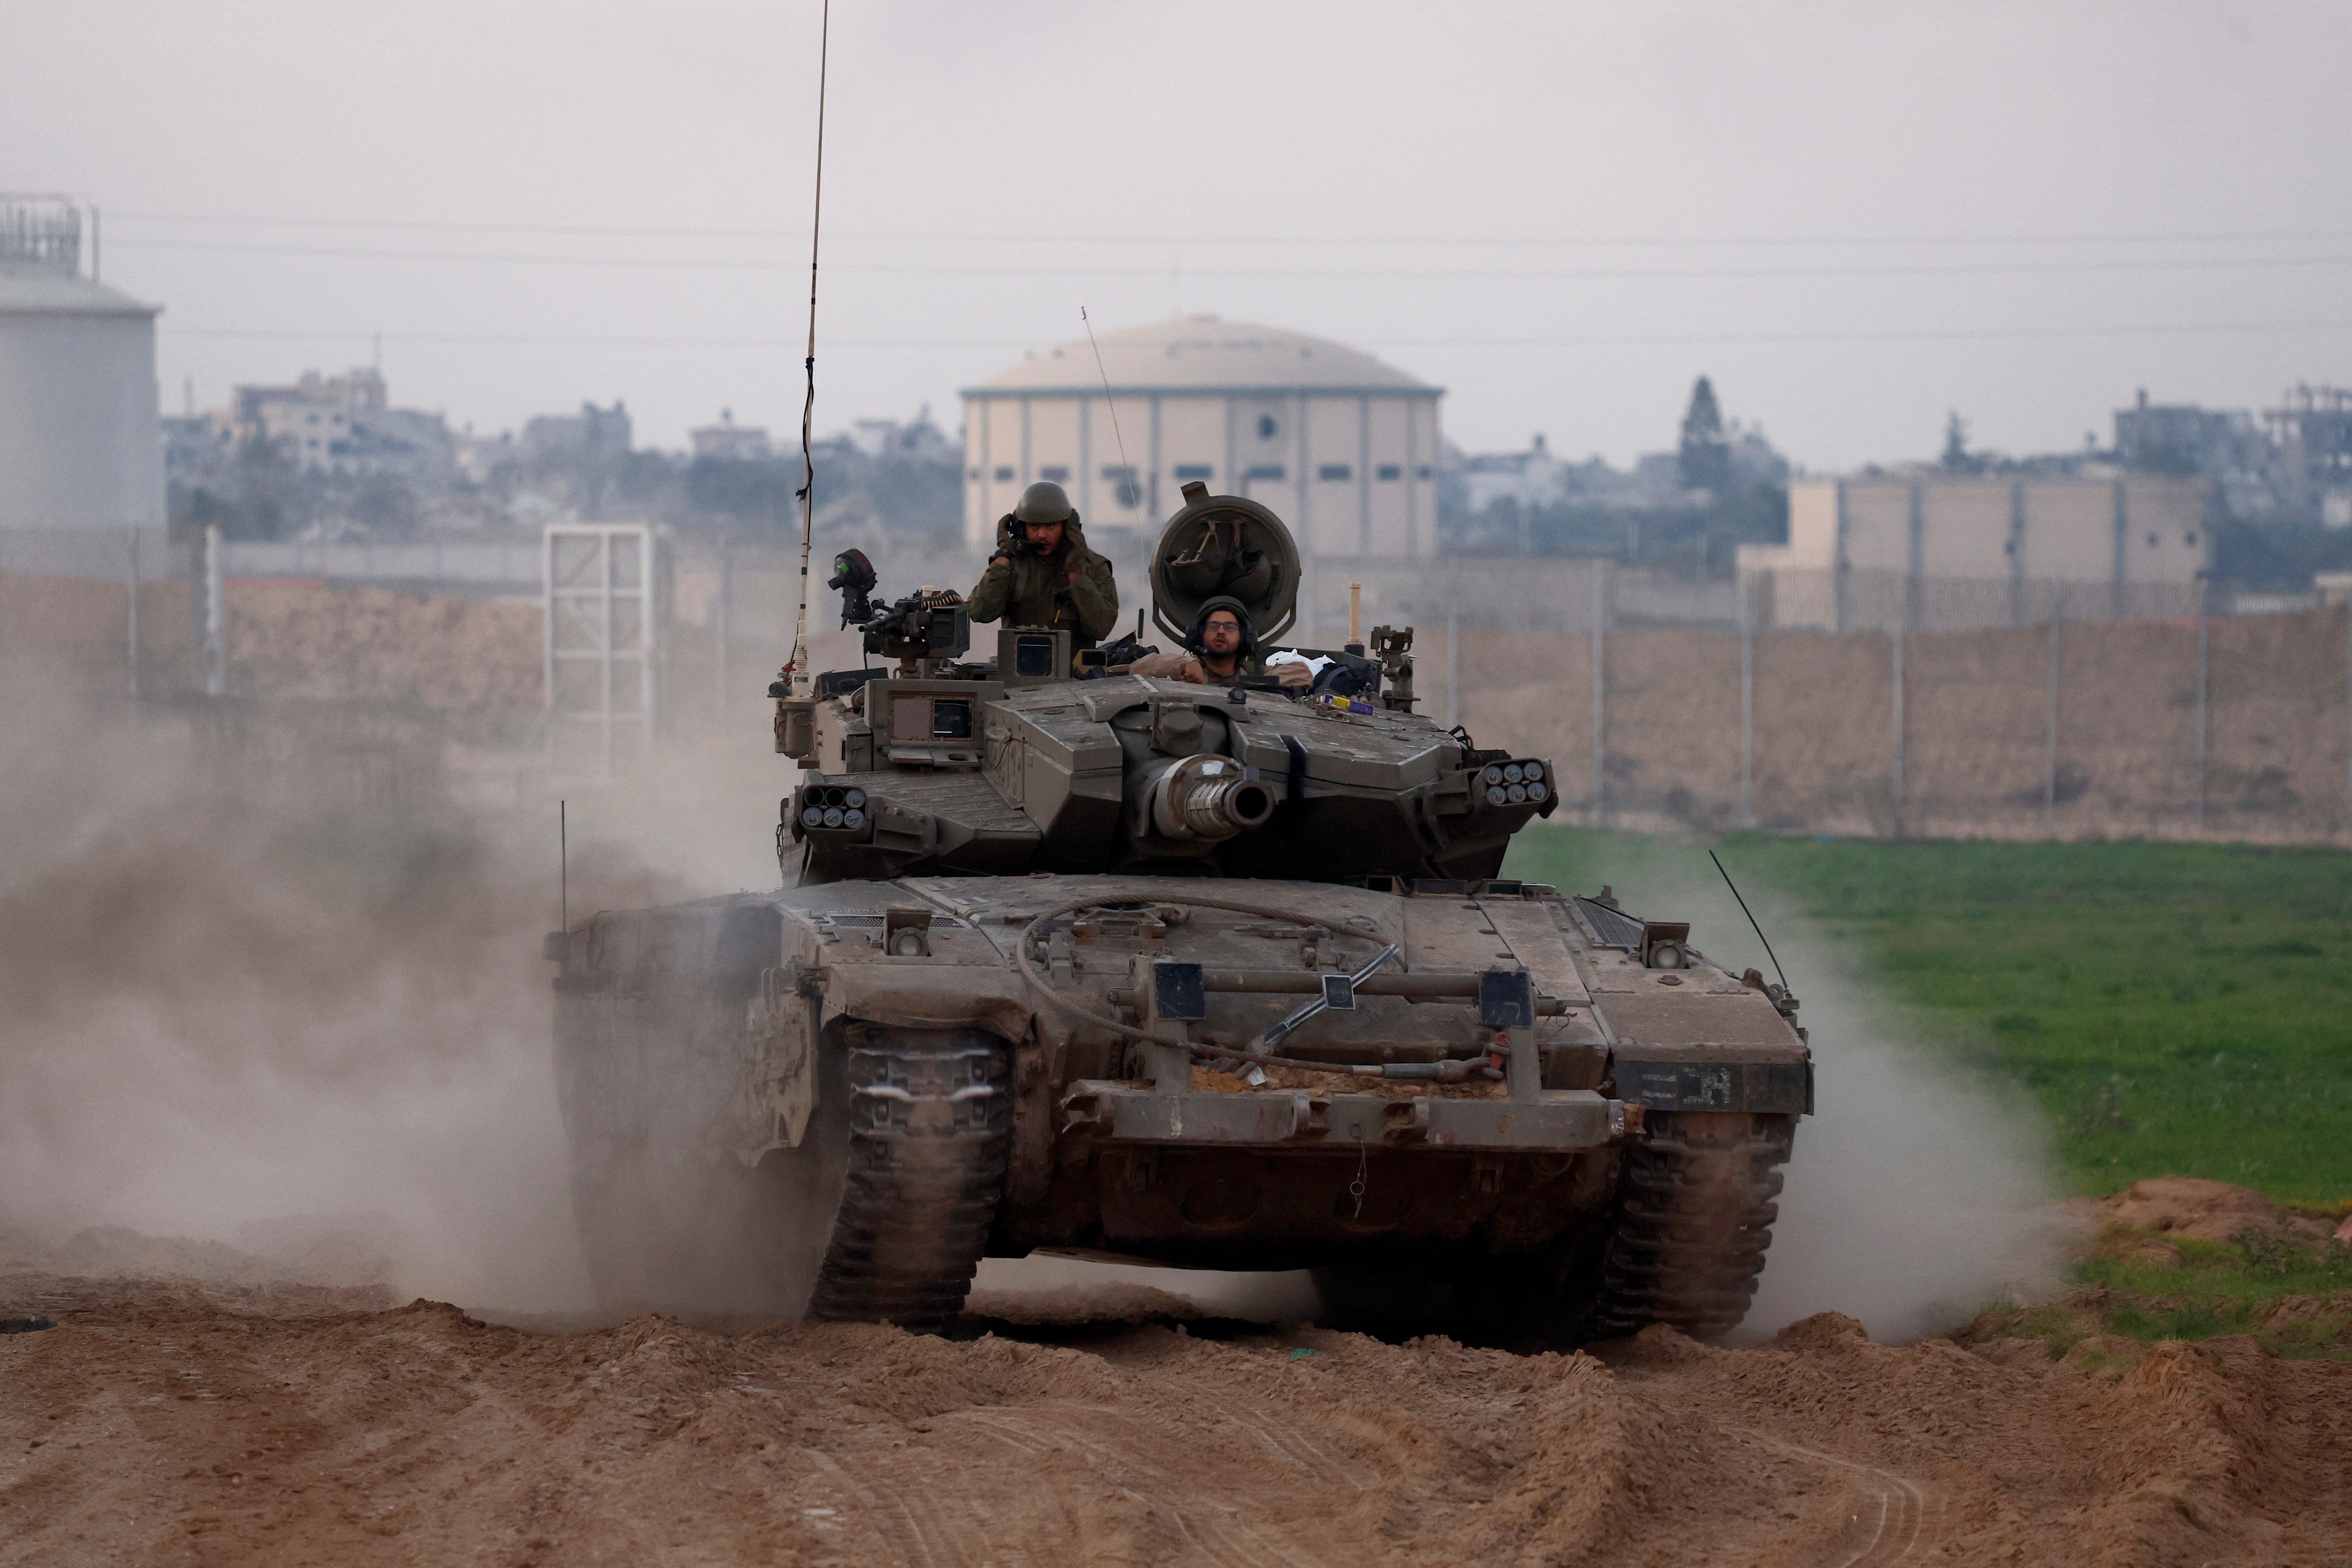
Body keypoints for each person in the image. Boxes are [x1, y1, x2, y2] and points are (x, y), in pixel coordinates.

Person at [966, 481, 1119, 649]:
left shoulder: (1093, 567)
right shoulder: (1011, 565)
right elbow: (979, 612)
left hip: (1075, 673)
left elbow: (1102, 629)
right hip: (1017, 670)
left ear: (1067, 528)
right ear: (1021, 528)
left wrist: (1076, 576)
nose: (1042, 535)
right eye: (1034, 526)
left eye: (1051, 526)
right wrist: (1004, 557)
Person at [1131, 595, 1312, 689]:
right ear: (1199, 634)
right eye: (1213, 626)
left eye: (1230, 627)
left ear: (1244, 636)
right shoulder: (1189, 672)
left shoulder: (1253, 673)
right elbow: (1139, 667)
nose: (1221, 631)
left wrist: (1250, 683)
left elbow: (1302, 674)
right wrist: (1187, 664)